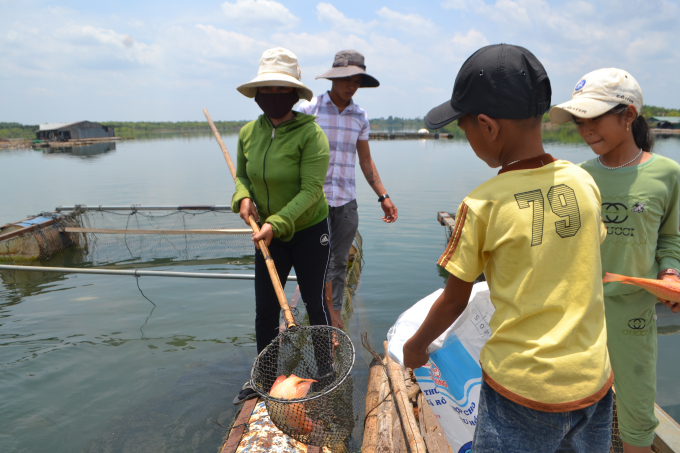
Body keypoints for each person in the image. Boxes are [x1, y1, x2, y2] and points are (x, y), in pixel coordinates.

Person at [402, 44, 614, 452]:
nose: (467, 139)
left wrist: (415, 347)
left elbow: (453, 302)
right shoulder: (583, 181)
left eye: (464, 130)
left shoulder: (482, 204)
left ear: (488, 126)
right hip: (593, 378)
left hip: (525, 389)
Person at [550, 68, 680, 453]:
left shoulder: (667, 174)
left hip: (633, 316)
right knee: (570, 409)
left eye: (595, 118)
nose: (585, 130)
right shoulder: (576, 177)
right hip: (578, 313)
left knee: (637, 414)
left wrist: (670, 274)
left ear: (628, 115)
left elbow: (671, 237)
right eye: (579, 121)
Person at [231, 47, 331, 405]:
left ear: (294, 93)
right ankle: (263, 376)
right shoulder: (247, 133)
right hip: (267, 235)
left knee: (315, 302)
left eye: (280, 90)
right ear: (257, 93)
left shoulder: (311, 135)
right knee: (265, 309)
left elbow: (311, 190)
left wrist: (277, 221)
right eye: (266, 90)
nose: (272, 97)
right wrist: (242, 198)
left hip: (307, 231)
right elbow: (242, 177)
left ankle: (326, 371)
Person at [298, 50, 397, 328]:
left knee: (339, 261)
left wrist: (383, 195)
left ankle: (335, 312)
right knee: (314, 260)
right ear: (333, 78)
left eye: (356, 80)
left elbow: (365, 159)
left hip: (345, 201)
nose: (351, 85)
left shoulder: (359, 116)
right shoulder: (309, 110)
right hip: (312, 201)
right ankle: (318, 309)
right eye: (345, 79)